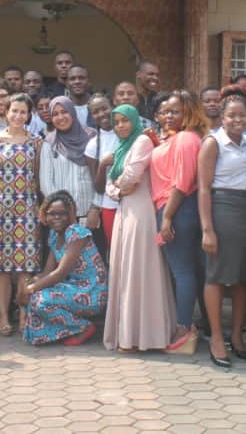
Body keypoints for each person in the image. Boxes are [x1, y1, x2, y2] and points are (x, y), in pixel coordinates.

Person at [102, 104, 176, 352]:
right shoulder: (121, 147)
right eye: (117, 122)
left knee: (139, 270)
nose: (120, 125)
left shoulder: (142, 141)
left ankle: (146, 337)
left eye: (124, 121)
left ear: (135, 121)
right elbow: (111, 185)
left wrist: (118, 187)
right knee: (126, 271)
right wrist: (117, 189)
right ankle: (128, 335)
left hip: (141, 214)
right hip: (126, 210)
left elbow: (131, 176)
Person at [197, 96, 246, 367]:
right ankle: (217, 337)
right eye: (232, 115)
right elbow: (204, 188)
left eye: (242, 115)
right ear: (222, 117)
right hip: (221, 209)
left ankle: (237, 335)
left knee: (242, 277)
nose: (237, 120)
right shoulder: (213, 143)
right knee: (217, 275)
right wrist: (208, 229)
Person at [150, 90, 210, 354]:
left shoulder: (187, 138)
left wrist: (168, 218)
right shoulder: (176, 138)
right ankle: (190, 326)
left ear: (188, 112)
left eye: (175, 111)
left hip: (177, 208)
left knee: (183, 272)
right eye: (165, 112)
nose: (168, 116)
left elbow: (182, 182)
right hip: (173, 207)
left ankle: (183, 329)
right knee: (187, 272)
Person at [0, 93, 43, 336]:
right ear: (6, 112)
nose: (18, 116)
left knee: (25, 266)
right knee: (2, 268)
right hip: (1, 211)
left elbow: (37, 177)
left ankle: (24, 316)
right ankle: (4, 317)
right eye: (14, 111)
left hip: (27, 209)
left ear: (29, 115)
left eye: (23, 112)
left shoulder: (36, 142)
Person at [19, 191, 107, 346]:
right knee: (33, 295)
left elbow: (60, 273)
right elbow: (47, 272)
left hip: (92, 291)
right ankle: (62, 331)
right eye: (51, 214)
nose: (56, 218)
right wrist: (27, 285)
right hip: (74, 288)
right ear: (45, 215)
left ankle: (84, 327)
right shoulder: (54, 235)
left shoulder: (77, 234)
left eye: (62, 214)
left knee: (40, 301)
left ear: (71, 214)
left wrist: (30, 289)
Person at [39, 97, 96, 223]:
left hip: (90, 214)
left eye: (64, 112)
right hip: (62, 217)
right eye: (55, 114)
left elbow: (100, 177)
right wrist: (62, 210)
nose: (60, 117)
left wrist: (96, 208)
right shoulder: (49, 143)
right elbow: (46, 182)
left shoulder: (92, 137)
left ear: (72, 112)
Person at [84, 94, 119, 254]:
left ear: (113, 107)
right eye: (95, 112)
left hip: (134, 203)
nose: (102, 114)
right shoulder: (92, 145)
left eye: (104, 108)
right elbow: (98, 187)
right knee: (115, 251)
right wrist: (103, 165)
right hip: (110, 205)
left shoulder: (127, 134)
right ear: (91, 116)